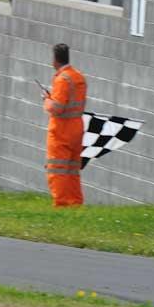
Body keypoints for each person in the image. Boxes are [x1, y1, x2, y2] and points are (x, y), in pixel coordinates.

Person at [41, 43, 87, 207]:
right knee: (72, 170)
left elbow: (57, 108)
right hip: (77, 128)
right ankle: (75, 203)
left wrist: (46, 100)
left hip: (62, 130)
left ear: (55, 59)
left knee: (57, 169)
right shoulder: (78, 77)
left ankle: (61, 205)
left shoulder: (62, 79)